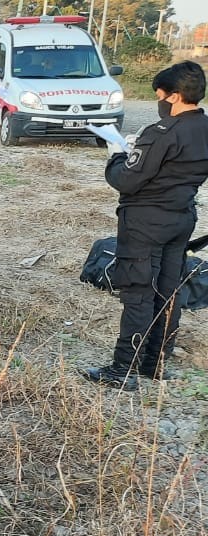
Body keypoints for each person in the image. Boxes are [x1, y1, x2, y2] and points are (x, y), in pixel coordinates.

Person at [82, 61, 208, 391]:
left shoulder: (162, 133)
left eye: (161, 95)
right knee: (169, 291)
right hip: (181, 219)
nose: (160, 102)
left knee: (138, 291)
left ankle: (123, 369)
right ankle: (156, 362)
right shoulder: (204, 129)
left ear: (176, 96)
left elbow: (127, 179)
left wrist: (116, 154)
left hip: (146, 222)